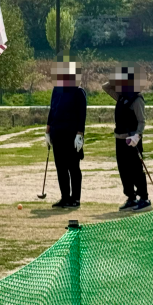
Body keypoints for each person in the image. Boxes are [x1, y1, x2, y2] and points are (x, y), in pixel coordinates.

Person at [102, 63, 152, 213]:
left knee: (136, 169)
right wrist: (116, 78)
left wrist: (138, 135)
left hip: (132, 139)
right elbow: (105, 87)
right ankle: (131, 197)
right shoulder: (121, 96)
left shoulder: (136, 99)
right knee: (123, 170)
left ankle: (144, 198)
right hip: (119, 138)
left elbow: (142, 121)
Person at [45, 54, 87, 209]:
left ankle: (75, 198)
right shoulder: (57, 90)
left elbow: (82, 115)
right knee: (61, 167)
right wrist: (47, 131)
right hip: (57, 133)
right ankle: (65, 197)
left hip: (72, 135)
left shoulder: (78, 92)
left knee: (73, 168)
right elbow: (52, 110)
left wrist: (79, 135)